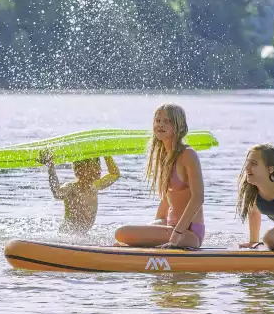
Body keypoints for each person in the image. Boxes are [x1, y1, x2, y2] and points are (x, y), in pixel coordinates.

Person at [114, 103, 205, 249]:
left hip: (188, 232)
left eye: (167, 121)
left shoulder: (188, 155)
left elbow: (198, 197)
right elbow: (166, 199)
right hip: (170, 227)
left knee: (121, 233)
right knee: (123, 239)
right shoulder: (164, 156)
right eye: (157, 121)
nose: (160, 124)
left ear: (179, 126)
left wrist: (177, 233)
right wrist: (156, 224)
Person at [39, 151, 120, 234]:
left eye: (99, 165)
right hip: (66, 233)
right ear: (79, 169)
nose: (99, 169)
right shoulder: (71, 187)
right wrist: (51, 167)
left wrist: (106, 154)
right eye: (94, 165)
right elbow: (57, 193)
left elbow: (114, 174)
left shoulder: (95, 186)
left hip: (82, 234)